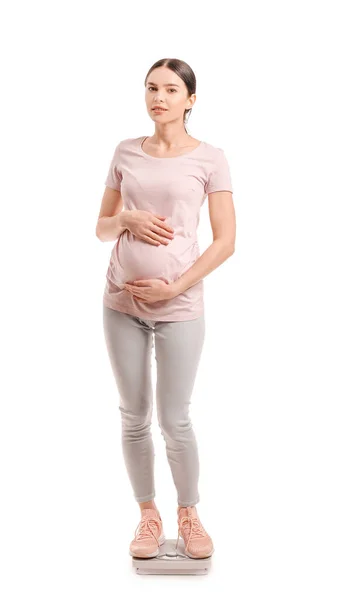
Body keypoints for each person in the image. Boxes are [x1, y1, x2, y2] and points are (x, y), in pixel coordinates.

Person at [96, 58, 236, 559]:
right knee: (133, 415)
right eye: (152, 88)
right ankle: (148, 516)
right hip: (121, 301)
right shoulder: (124, 152)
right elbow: (102, 228)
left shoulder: (210, 158)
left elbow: (226, 242)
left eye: (171, 89)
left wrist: (174, 288)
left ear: (190, 100)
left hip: (181, 306)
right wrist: (126, 217)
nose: (159, 97)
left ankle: (190, 514)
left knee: (175, 419)